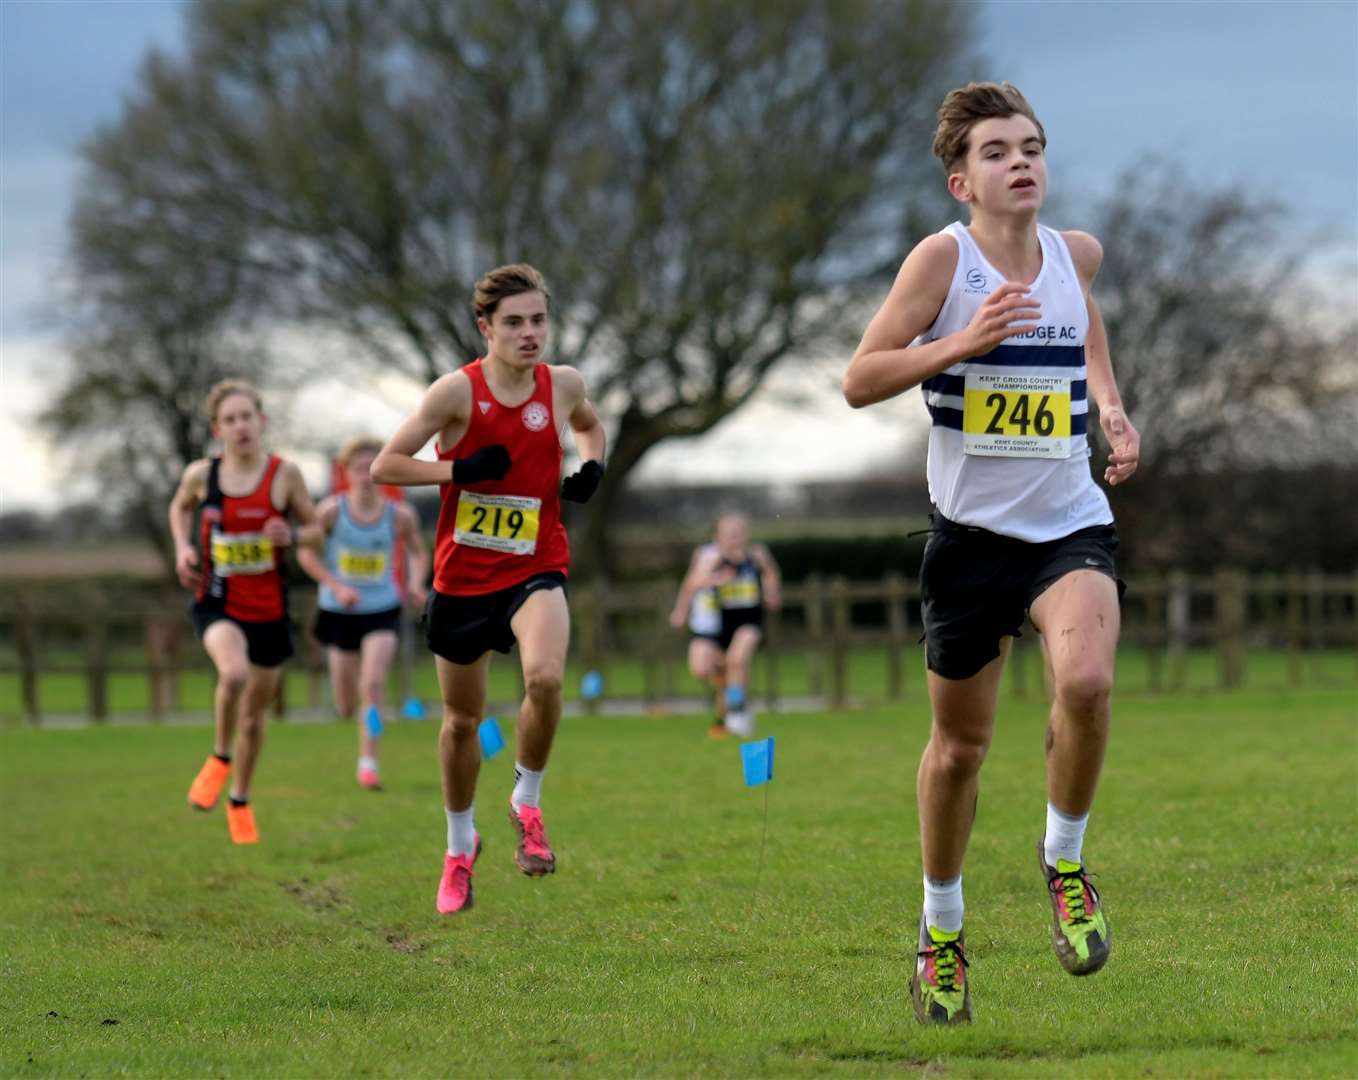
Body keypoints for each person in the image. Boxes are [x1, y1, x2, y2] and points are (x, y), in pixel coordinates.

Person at [842, 82, 1141, 1024]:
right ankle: (941, 932)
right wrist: (959, 342)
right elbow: (859, 379)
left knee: (1087, 684)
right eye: (1000, 152)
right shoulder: (943, 261)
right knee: (961, 750)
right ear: (961, 180)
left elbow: (1083, 314)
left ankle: (1064, 863)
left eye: (1033, 146)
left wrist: (1109, 402)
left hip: (1068, 526)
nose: (1023, 162)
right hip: (970, 541)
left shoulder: (1073, 254)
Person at [371, 263, 606, 915]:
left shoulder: (562, 385)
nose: (530, 334)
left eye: (539, 320)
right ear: (486, 328)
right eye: (515, 323)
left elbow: (588, 425)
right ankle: (458, 847)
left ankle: (526, 803)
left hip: (535, 565)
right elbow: (383, 465)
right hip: (464, 580)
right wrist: (457, 469)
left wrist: (591, 464)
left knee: (547, 680)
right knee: (461, 723)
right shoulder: (454, 394)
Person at [170, 380, 325, 844]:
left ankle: (240, 799)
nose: (240, 427)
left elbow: (316, 528)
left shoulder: (285, 475)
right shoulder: (202, 475)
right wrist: (182, 548)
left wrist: (294, 537)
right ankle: (219, 758)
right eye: (230, 420)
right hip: (217, 601)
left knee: (256, 718)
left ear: (262, 422)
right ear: (218, 429)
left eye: (247, 417)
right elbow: (179, 508)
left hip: (269, 610)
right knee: (233, 675)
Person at [296, 435, 430, 791]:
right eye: (359, 469)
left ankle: (368, 762)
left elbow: (418, 552)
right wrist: (336, 585)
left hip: (382, 608)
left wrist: (416, 584)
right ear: (346, 473)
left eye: (373, 468)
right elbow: (305, 554)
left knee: (372, 685)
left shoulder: (399, 515)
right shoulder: (329, 511)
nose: (366, 476)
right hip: (339, 610)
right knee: (344, 701)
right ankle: (350, 717)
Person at [669, 513, 782, 738]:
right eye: (730, 535)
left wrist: (771, 592)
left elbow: (771, 573)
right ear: (717, 537)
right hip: (716, 621)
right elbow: (692, 583)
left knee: (737, 660)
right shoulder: (710, 557)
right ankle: (729, 684)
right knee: (701, 668)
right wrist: (682, 610)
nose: (735, 540)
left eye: (740, 534)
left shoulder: (757, 554)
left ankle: (738, 713)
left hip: (748, 619)